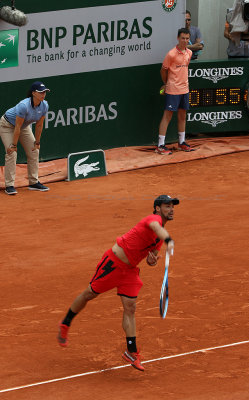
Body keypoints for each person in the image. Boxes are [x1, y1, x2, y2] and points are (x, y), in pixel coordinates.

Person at [57, 194, 179, 372]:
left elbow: (150, 260)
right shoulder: (153, 220)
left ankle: (131, 351)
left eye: (172, 206)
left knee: (130, 308)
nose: (171, 209)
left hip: (129, 272)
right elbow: (155, 226)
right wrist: (169, 239)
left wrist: (152, 260)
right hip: (113, 264)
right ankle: (65, 323)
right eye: (167, 206)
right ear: (157, 209)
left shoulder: (159, 238)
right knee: (89, 294)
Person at [0, 81, 50, 195]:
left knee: (34, 150)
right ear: (33, 93)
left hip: (24, 127)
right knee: (11, 153)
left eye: (45, 92)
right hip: (7, 126)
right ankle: (9, 185)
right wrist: (13, 144)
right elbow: (17, 126)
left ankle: (33, 182)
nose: (43, 94)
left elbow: (39, 125)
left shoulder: (45, 105)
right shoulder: (24, 106)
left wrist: (37, 142)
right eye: (41, 92)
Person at [155, 28, 193, 155]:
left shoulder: (189, 53)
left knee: (182, 116)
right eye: (183, 38)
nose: (185, 41)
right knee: (168, 116)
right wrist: (166, 84)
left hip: (185, 89)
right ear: (178, 38)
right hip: (173, 89)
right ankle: (160, 145)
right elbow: (163, 70)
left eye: (187, 38)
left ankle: (181, 142)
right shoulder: (171, 54)